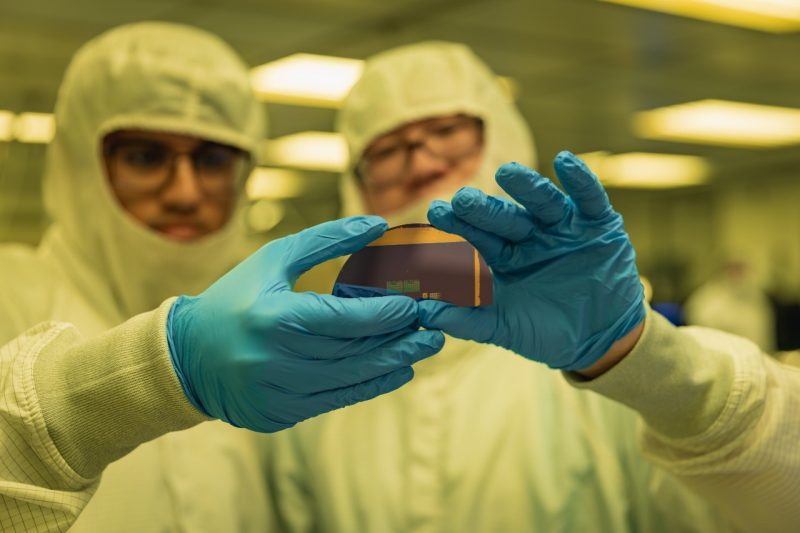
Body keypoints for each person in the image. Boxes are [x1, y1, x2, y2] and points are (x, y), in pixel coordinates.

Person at [263, 41, 800, 533]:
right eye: (388, 151)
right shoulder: (319, 390)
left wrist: (638, 359)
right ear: (355, 187)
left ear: (502, 137)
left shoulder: (598, 366)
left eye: (448, 132)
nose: (423, 162)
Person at [0, 23, 444, 531]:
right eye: (146, 156)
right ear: (81, 161)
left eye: (212, 160)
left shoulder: (277, 325)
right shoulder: (10, 295)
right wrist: (137, 382)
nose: (186, 192)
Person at [685, 257, 776, 352]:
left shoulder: (758, 300)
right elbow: (700, 328)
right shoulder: (708, 298)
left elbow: (765, 336)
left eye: (741, 269)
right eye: (734, 269)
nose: (738, 274)